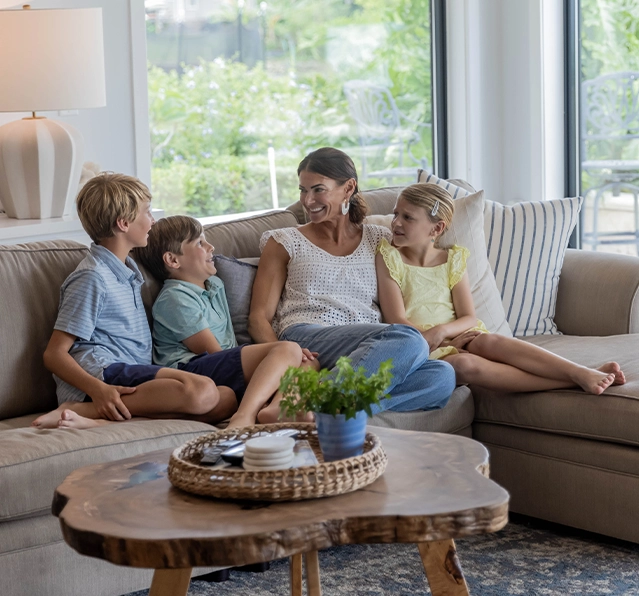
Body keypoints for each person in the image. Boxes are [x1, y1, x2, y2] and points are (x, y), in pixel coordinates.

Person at [248, 147, 456, 414]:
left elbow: (423, 257)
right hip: (309, 338)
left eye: (318, 190)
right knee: (410, 340)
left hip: (370, 347)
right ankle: (320, 400)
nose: (308, 200)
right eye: (303, 190)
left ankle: (324, 402)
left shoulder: (379, 239)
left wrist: (450, 334)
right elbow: (258, 319)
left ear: (348, 188)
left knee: (442, 376)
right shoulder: (284, 241)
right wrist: (287, 356)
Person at [375, 182, 626, 394]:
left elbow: (469, 317)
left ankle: (579, 371)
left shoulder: (452, 259)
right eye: (396, 214)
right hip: (421, 345)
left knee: (489, 342)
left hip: (454, 334)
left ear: (437, 228)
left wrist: (444, 331)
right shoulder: (389, 257)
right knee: (465, 365)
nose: (396, 222)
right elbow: (396, 319)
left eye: (407, 217)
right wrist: (437, 341)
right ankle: (574, 380)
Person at [32, 173, 237, 430]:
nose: (152, 220)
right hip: (103, 372)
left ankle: (97, 421)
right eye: (147, 212)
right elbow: (54, 354)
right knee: (201, 389)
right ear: (124, 223)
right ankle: (80, 408)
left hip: (133, 372)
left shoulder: (127, 270)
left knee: (226, 399)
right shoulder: (92, 276)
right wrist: (98, 390)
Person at [135, 215, 313, 428]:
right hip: (190, 371)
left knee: (307, 361)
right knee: (289, 350)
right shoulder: (175, 298)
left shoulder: (214, 285)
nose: (211, 247)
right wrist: (274, 359)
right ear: (173, 260)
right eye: (200, 243)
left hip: (220, 365)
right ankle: (244, 416)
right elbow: (214, 353)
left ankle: (279, 407)